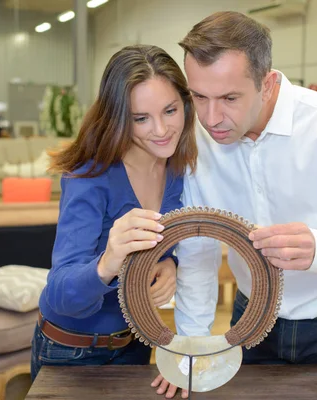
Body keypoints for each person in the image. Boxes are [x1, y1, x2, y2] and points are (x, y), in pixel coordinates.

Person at [152, 11, 317, 398]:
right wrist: (191, 347)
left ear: (268, 83)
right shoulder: (198, 139)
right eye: (199, 97)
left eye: (229, 98)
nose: (210, 118)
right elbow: (199, 250)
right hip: (249, 321)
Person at [31, 44, 197, 381]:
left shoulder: (179, 170)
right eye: (141, 118)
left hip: (137, 342)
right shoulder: (89, 177)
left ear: (186, 105)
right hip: (71, 351)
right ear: (118, 117)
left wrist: (170, 263)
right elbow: (60, 295)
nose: (161, 130)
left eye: (170, 111)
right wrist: (108, 262)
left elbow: (171, 243)